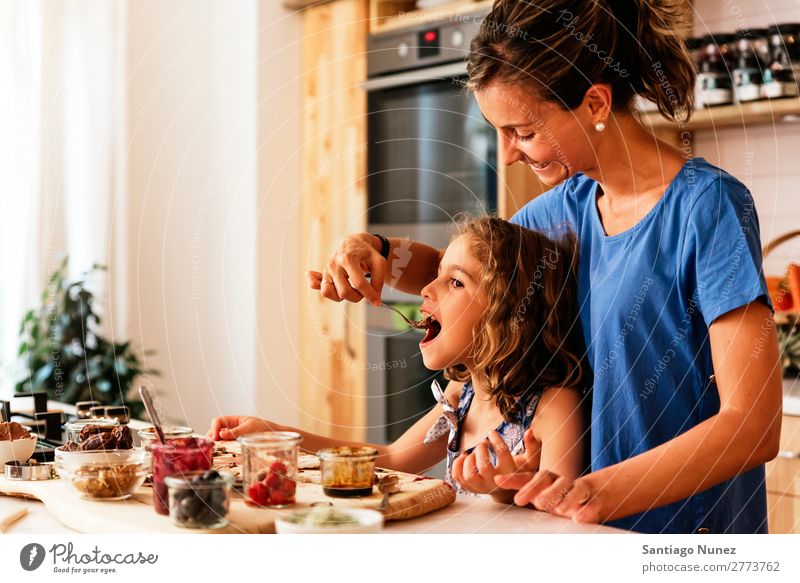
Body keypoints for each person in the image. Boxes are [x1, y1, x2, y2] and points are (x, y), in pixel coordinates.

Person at [307, 0, 782, 533]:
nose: (508, 155)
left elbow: (753, 424)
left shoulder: (707, 206)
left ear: (596, 102)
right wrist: (376, 254)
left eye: (524, 131)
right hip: (583, 535)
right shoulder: (567, 207)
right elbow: (469, 276)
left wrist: (595, 492)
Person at [210, 216, 588, 502]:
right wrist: (275, 435)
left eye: (455, 282)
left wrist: (505, 491)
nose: (425, 288)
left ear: (509, 316)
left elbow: (564, 517)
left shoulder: (552, 405)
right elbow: (389, 459)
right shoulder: (461, 397)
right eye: (438, 274)